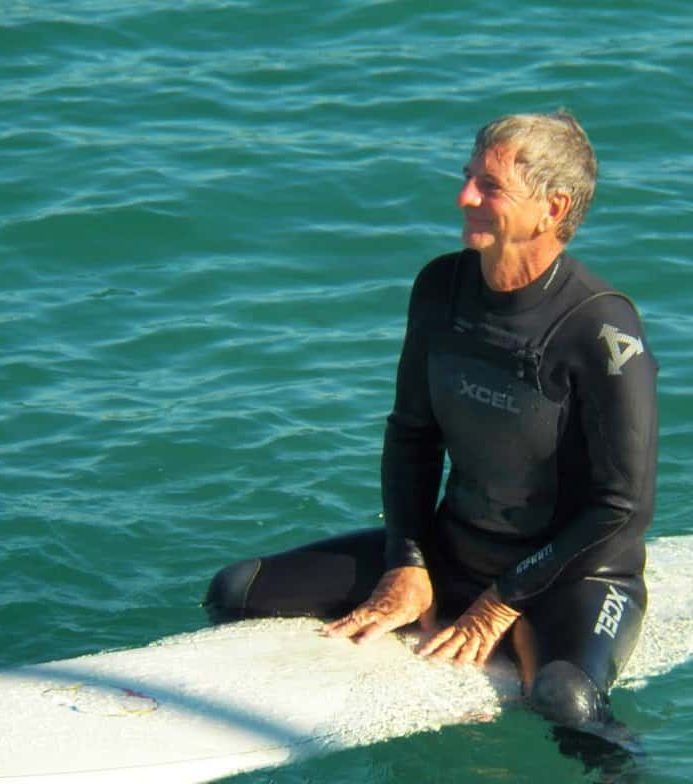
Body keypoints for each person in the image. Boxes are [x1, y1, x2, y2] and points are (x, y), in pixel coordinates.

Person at [205, 111, 657, 740]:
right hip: (453, 552)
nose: (464, 195)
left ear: (552, 209)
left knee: (568, 702)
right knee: (235, 591)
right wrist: (408, 561)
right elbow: (412, 434)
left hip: (572, 577)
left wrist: (504, 600)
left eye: (490, 186)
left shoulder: (602, 329)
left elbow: (621, 506)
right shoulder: (440, 287)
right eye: (469, 176)